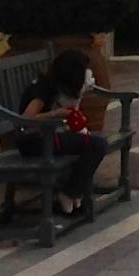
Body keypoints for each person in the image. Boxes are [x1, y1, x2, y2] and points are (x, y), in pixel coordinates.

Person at [16, 47, 110, 215]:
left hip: (48, 137)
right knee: (97, 145)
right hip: (35, 141)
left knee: (92, 142)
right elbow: (25, 120)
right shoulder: (42, 90)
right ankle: (69, 193)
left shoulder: (54, 86)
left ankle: (73, 194)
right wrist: (56, 114)